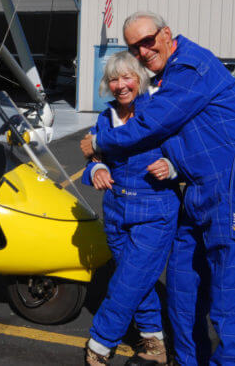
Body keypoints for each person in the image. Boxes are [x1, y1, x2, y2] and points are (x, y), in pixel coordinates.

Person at [81, 11, 235, 365]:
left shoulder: (190, 67)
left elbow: (152, 126)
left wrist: (99, 143)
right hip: (195, 193)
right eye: (134, 48)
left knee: (231, 298)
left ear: (166, 34)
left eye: (148, 41)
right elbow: (186, 136)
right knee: (182, 290)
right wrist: (171, 164)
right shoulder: (164, 82)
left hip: (230, 188)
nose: (143, 51)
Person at [83, 51, 180, 366]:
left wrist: (171, 165)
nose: (120, 85)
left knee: (126, 282)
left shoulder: (158, 111)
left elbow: (187, 152)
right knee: (138, 280)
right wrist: (95, 170)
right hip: (115, 211)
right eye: (114, 78)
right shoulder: (105, 116)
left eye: (127, 77)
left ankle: (100, 343)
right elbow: (93, 158)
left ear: (140, 78)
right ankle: (155, 344)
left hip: (154, 211)